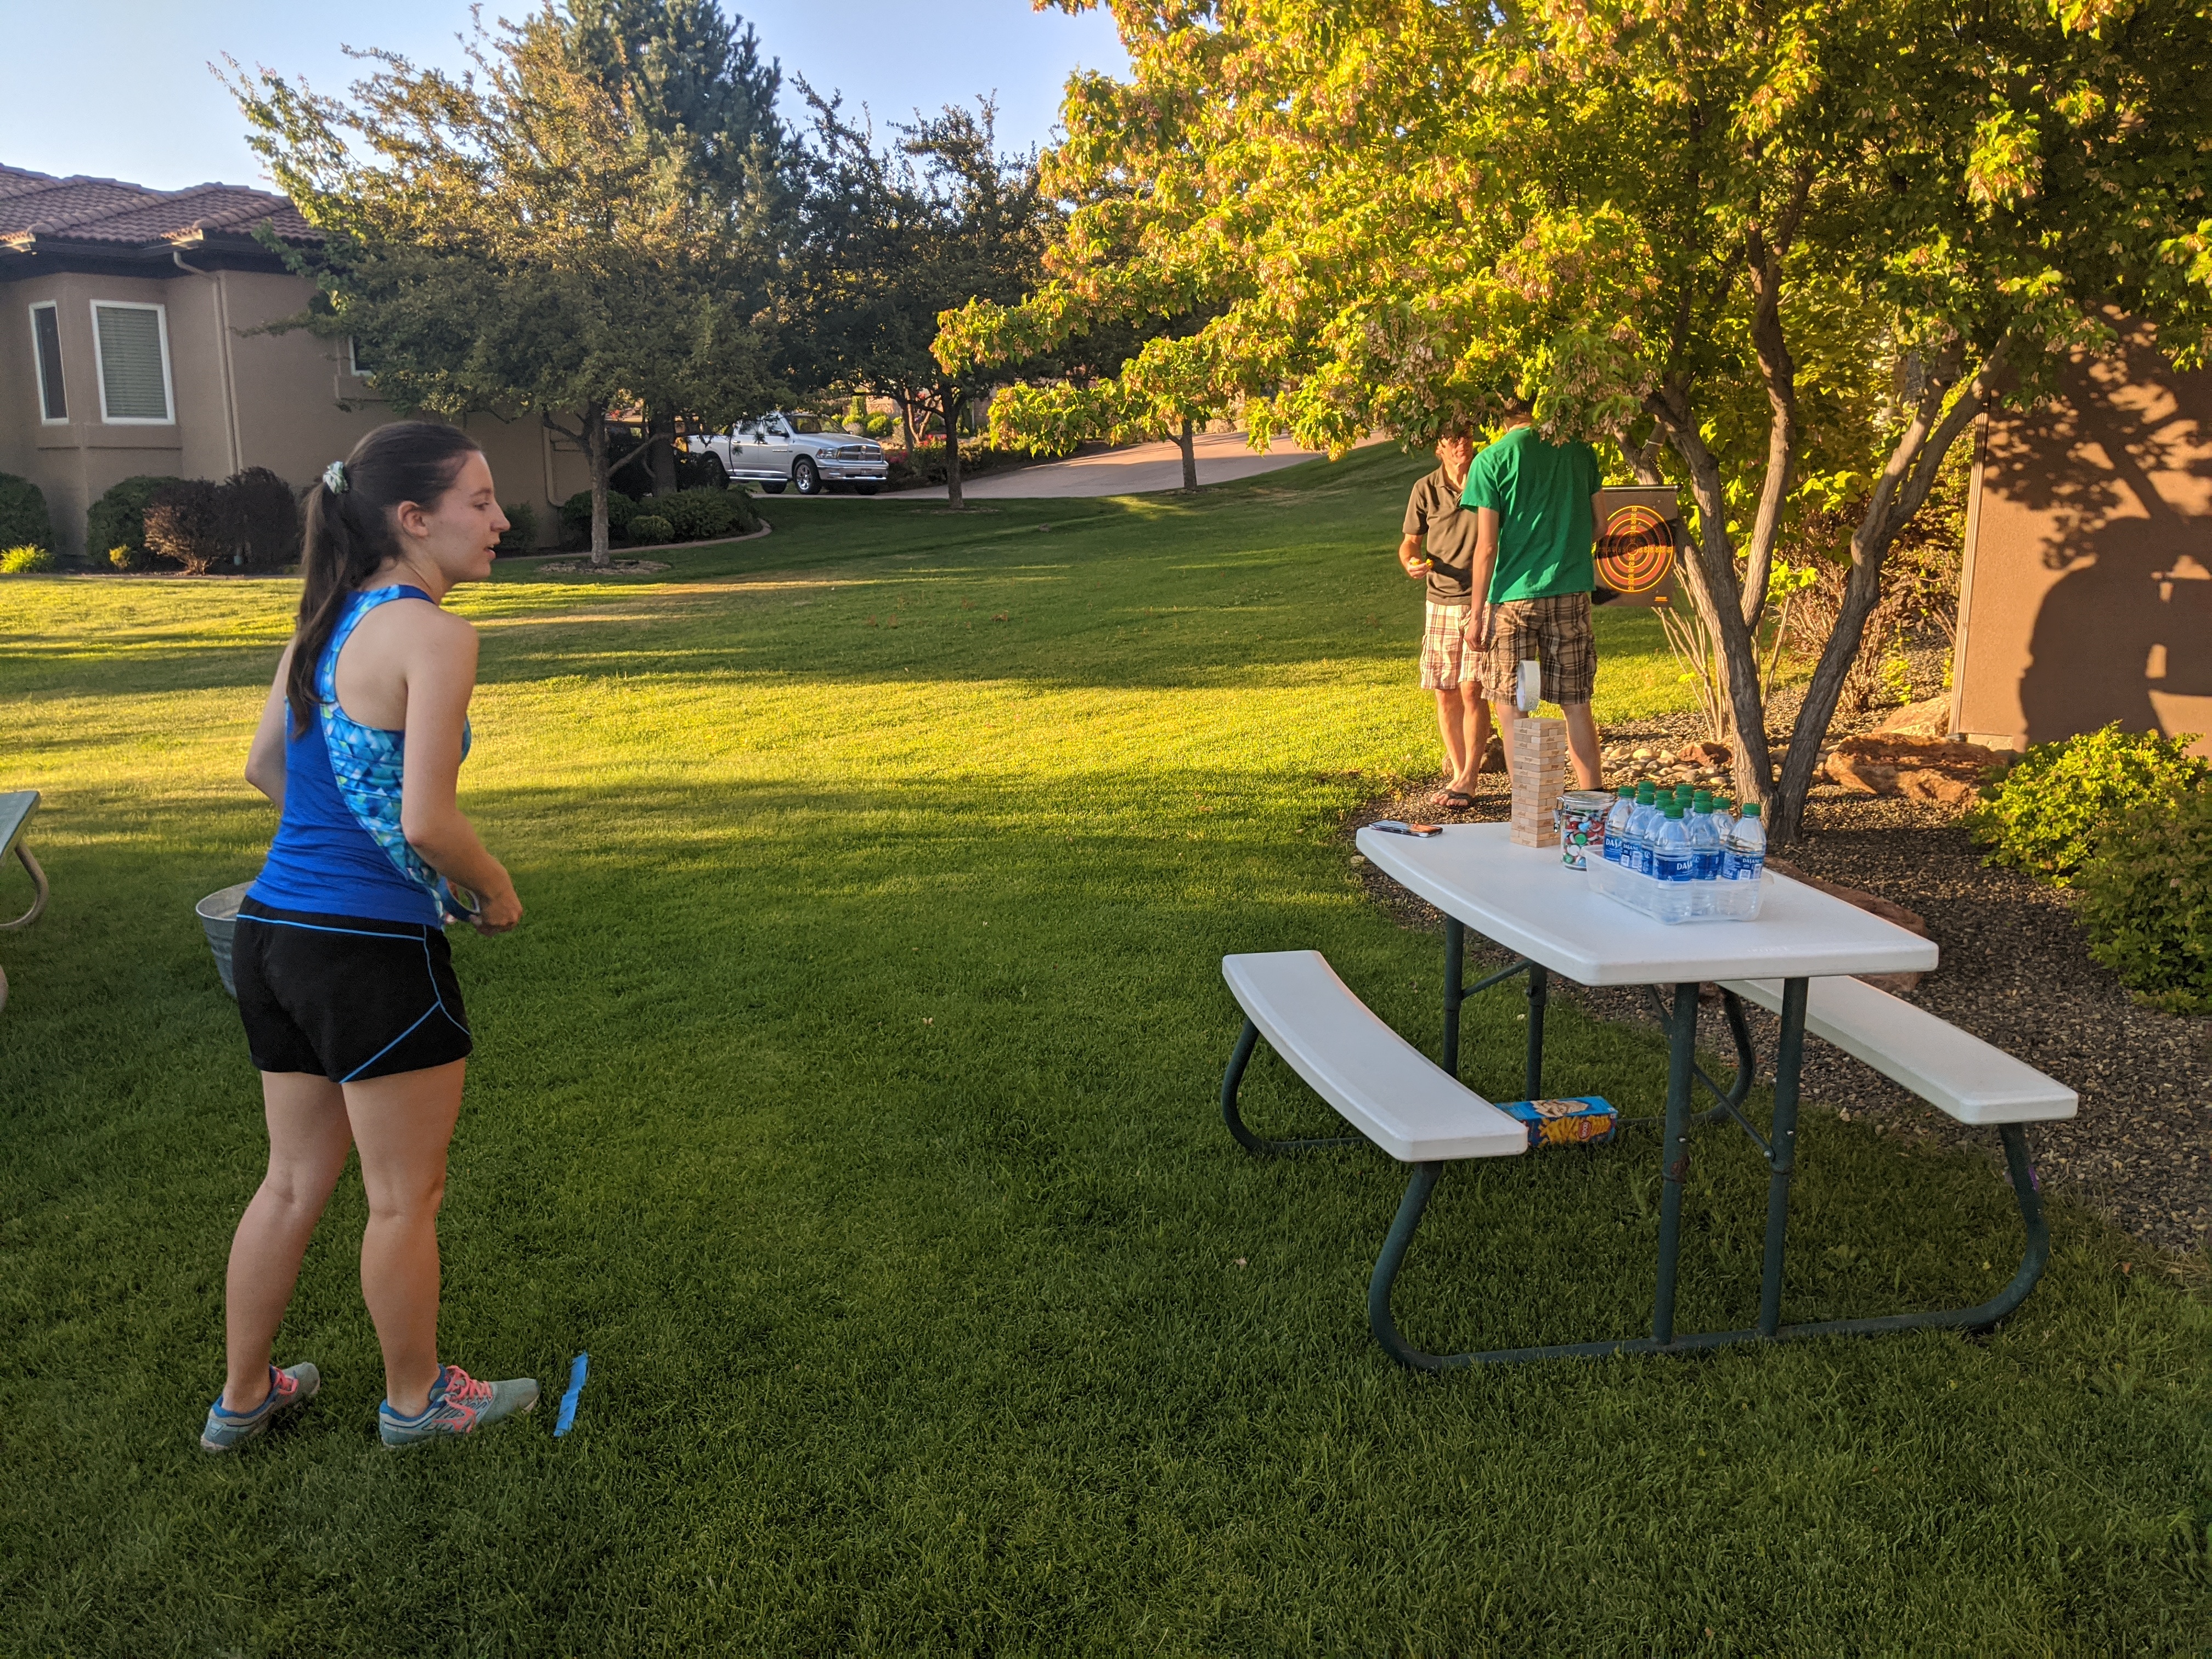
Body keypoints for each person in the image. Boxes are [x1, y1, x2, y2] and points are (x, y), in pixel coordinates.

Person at [201, 421, 537, 1454]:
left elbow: (266, 766)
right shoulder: (435, 636)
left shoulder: (324, 619)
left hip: (270, 935)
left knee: (293, 1179)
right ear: (411, 517)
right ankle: (416, 1399)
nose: (500, 519)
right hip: (367, 952)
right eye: (479, 501)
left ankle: (245, 1395)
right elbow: (432, 819)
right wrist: (493, 888)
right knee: (403, 1196)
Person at [1462, 397, 1606, 789]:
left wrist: (1476, 615)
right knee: (1576, 702)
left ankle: (1529, 805)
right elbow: (1600, 525)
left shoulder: (1491, 460)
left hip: (1512, 597)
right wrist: (1564, 549)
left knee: (1512, 705)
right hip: (1571, 590)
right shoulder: (1580, 451)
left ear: (1503, 415)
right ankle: (1591, 804)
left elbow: (1487, 546)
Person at [1398, 422, 1497, 808]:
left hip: (1483, 599)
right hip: (1439, 599)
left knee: (1474, 688)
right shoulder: (1425, 488)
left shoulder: (1488, 481)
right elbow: (1410, 542)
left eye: (1467, 438)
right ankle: (1458, 772)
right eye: (1454, 440)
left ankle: (1470, 777)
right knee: (1445, 692)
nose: (1462, 446)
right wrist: (1410, 562)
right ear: (1439, 447)